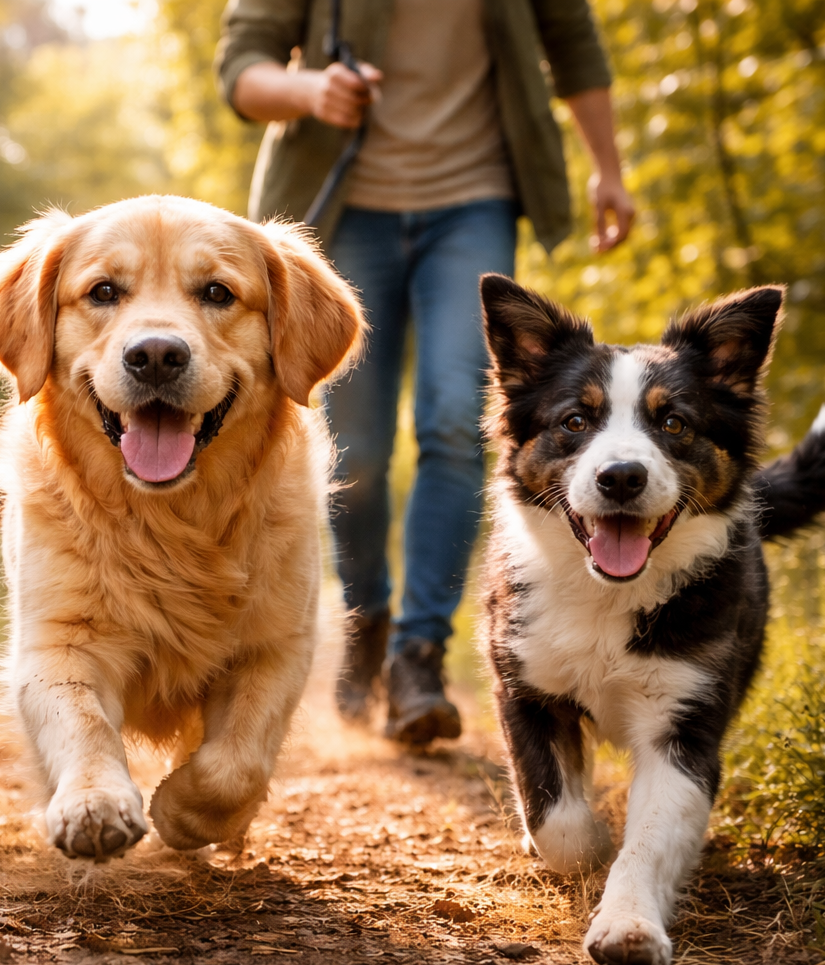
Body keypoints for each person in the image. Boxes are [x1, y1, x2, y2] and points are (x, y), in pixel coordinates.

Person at [216, 0, 634, 744]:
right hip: (344, 206)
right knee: (359, 450)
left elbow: (573, 42)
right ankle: (366, 617)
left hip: (473, 200)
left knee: (452, 421)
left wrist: (609, 169)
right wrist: (310, 91)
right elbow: (241, 70)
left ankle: (419, 654)